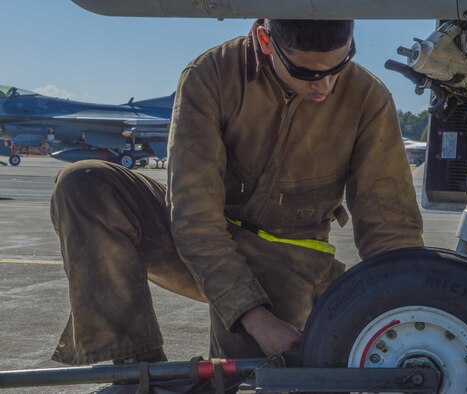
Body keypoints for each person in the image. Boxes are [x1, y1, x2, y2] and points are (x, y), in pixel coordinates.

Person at [50, 19, 423, 370]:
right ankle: (140, 372)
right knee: (85, 183)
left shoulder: (368, 99)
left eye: (338, 67)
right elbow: (194, 215)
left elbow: (390, 230)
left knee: (255, 376)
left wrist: (411, 326)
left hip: (289, 263)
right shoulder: (210, 76)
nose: (324, 87)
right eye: (307, 73)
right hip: (198, 245)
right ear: (265, 41)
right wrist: (255, 318)